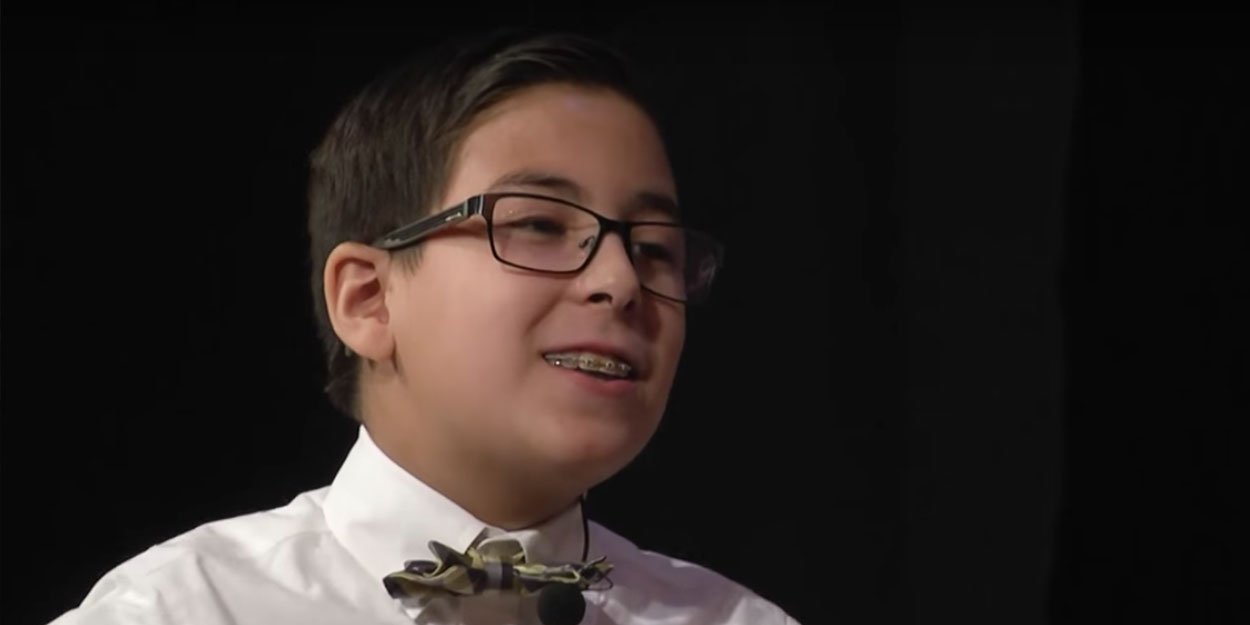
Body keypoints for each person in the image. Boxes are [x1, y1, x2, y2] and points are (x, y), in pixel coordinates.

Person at [48, 29, 800, 625]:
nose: (621, 280)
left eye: (655, 248)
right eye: (539, 224)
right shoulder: (184, 610)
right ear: (369, 300)